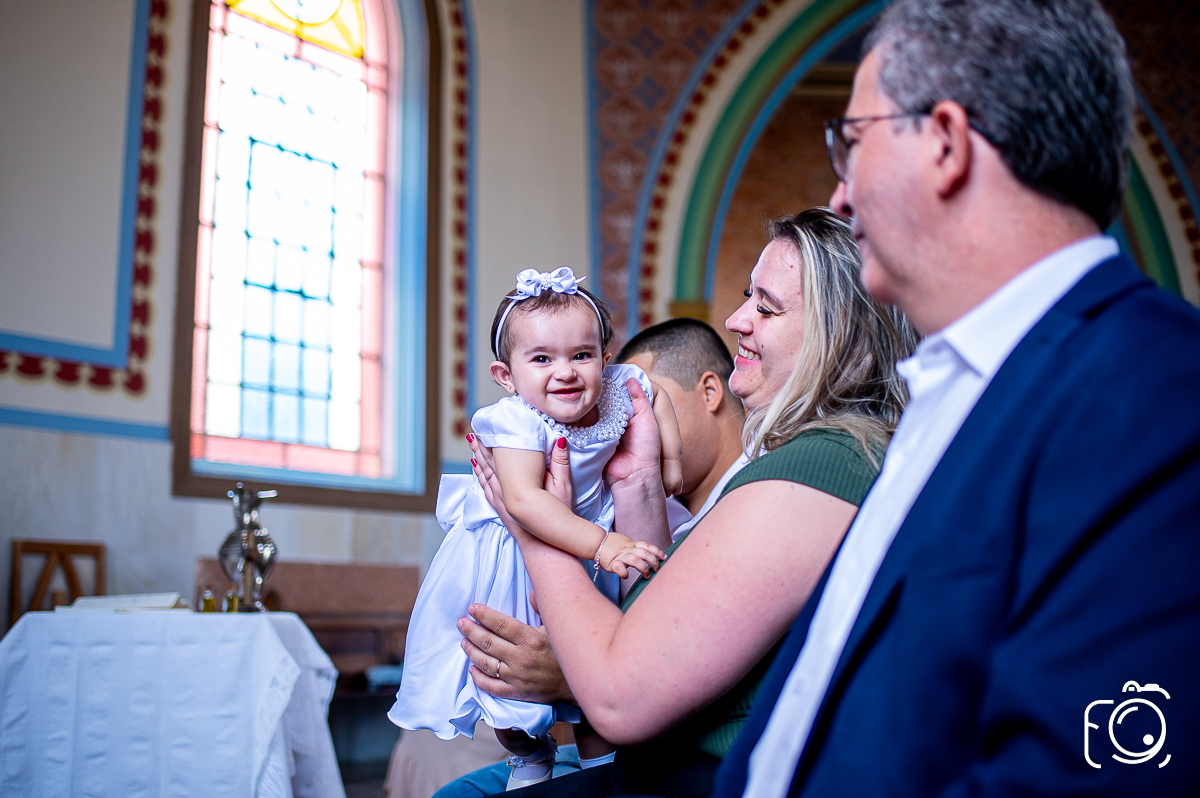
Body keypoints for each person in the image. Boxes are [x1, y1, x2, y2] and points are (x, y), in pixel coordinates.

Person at [715, 2, 1200, 796]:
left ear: (944, 142)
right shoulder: (954, 384)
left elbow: (1094, 772)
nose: (840, 196)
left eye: (855, 143)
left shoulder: (1155, 392)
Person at [467, 208, 917, 797]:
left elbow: (619, 697)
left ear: (841, 339)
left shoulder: (820, 465)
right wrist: (637, 484)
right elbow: (658, 619)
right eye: (744, 298)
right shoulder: (810, 457)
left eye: (766, 307)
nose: (736, 321)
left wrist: (531, 526)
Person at [419, 317, 748, 798]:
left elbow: (685, 657)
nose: (629, 421)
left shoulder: (743, 503)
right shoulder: (637, 490)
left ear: (710, 393)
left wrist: (575, 674)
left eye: (582, 358)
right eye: (543, 359)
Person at [390, 267, 681, 788]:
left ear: (605, 357)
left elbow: (653, 394)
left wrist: (670, 464)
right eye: (542, 359)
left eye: (582, 355)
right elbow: (523, 501)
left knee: (597, 673)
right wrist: (601, 542)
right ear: (507, 376)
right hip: (517, 552)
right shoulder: (515, 421)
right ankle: (528, 757)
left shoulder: (619, 391)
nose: (565, 371)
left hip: (590, 552)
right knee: (510, 688)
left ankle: (602, 773)